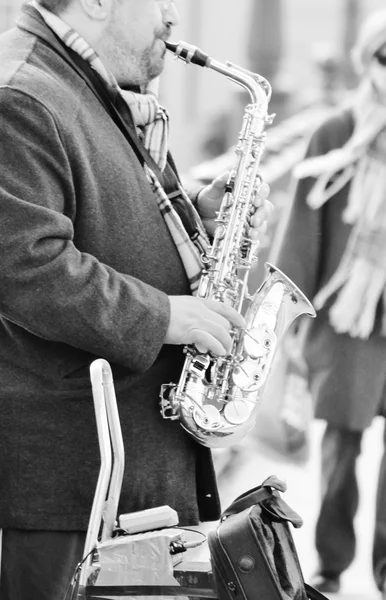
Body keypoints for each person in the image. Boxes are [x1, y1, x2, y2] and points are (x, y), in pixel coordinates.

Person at [0, 1, 272, 598]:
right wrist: (167, 315)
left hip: (125, 474)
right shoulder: (20, 96)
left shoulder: (87, 87)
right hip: (71, 489)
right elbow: (23, 266)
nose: (172, 17)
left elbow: (104, 223)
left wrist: (196, 216)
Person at [273, 7, 386, 599]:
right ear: (365, 62)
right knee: (341, 451)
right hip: (347, 322)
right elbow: (301, 231)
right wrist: (288, 322)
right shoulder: (337, 131)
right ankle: (328, 563)